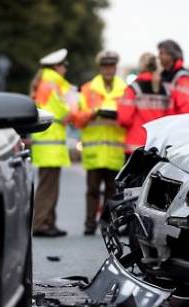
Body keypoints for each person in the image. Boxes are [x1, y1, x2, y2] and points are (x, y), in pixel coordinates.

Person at [73, 50, 128, 235]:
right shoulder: (88, 89)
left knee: (113, 192)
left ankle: (108, 225)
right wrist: (92, 113)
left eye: (111, 66)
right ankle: (89, 224)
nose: (108, 69)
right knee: (92, 190)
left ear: (115, 67)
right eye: (105, 66)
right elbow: (78, 119)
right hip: (94, 149)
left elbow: (130, 117)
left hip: (115, 149)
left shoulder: (126, 89)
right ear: (100, 67)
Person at [30, 48, 74, 237]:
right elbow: (65, 112)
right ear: (57, 66)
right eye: (64, 65)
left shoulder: (46, 81)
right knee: (48, 187)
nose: (65, 69)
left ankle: (49, 222)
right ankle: (41, 223)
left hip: (47, 142)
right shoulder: (52, 83)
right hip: (50, 143)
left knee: (49, 186)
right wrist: (76, 110)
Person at [118, 52, 170, 157]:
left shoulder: (134, 88)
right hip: (158, 147)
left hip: (136, 147)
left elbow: (124, 119)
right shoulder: (166, 90)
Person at [157, 39, 189, 115]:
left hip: (175, 125)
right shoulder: (163, 76)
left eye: (161, 53)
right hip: (165, 125)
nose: (158, 57)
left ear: (171, 55)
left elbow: (188, 110)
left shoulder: (183, 79)